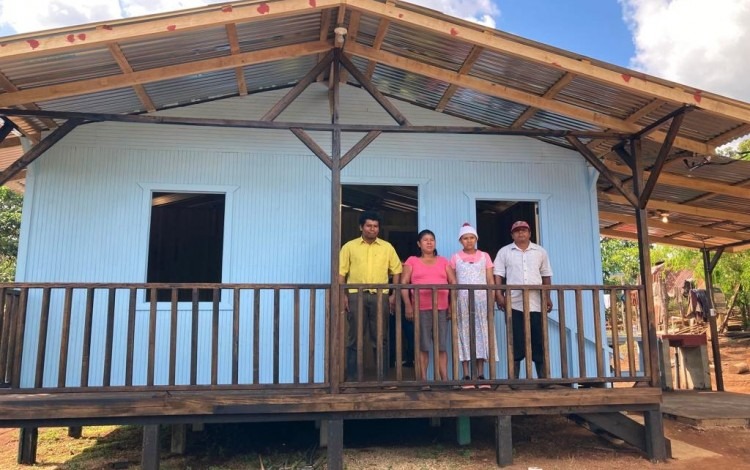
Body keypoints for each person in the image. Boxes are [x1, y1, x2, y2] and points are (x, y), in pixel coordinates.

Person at [339, 210, 402, 381]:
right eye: (368, 226)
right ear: (361, 227)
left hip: (380, 295)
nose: (372, 229)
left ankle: (382, 378)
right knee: (354, 338)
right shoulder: (349, 247)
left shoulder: (387, 247)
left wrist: (393, 293)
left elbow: (396, 270)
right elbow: (341, 273)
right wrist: (342, 295)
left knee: (380, 337)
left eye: (375, 226)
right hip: (354, 295)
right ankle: (352, 379)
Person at [493, 220, 553, 380]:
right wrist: (499, 295)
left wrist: (547, 297)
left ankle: (543, 378)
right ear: (512, 234)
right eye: (517, 231)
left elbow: (546, 275)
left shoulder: (540, 252)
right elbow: (498, 274)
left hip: (536, 303)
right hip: (514, 304)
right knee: (515, 341)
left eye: (524, 230)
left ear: (530, 233)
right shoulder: (505, 252)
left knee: (539, 340)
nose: (521, 233)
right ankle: (514, 379)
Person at [401, 229, 456, 384]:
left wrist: (451, 305)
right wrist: (408, 305)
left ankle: (444, 379)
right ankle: (423, 379)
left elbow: (453, 283)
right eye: (425, 240)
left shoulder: (444, 261)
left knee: (441, 346)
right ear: (419, 244)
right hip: (421, 308)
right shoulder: (412, 261)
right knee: (423, 346)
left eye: (432, 239)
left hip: (442, 308)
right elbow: (404, 283)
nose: (429, 242)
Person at [448, 223, 495, 389]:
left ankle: (481, 374)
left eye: (472, 238)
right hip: (462, 301)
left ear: (476, 239)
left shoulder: (485, 256)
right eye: (465, 238)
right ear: (461, 240)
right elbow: (452, 281)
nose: (469, 241)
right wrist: (451, 304)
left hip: (482, 301)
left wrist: (492, 300)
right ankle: (467, 374)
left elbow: (490, 280)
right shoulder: (455, 258)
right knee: (464, 335)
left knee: (482, 334)